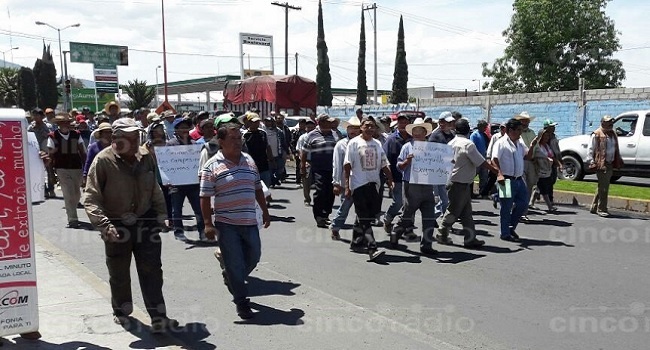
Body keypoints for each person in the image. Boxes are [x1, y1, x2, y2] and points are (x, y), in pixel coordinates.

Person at [84, 117, 179, 333]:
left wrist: (162, 214)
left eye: (136, 137)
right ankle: (121, 311)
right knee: (119, 272)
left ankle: (158, 317)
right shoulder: (103, 161)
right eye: (129, 138)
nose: (135, 142)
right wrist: (105, 225)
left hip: (145, 221)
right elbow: (90, 198)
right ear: (116, 139)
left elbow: (154, 187)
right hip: (116, 224)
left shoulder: (146, 157)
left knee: (152, 271)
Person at [199, 121, 270, 320]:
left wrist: (265, 211)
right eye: (233, 139)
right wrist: (207, 223)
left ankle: (231, 274)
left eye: (240, 138)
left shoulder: (248, 160)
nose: (238, 142)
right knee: (236, 263)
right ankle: (241, 302)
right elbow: (204, 197)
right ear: (221, 142)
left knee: (254, 256)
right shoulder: (211, 166)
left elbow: (257, 187)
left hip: (249, 221)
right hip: (226, 224)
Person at [437, 119, 498, 248]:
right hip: (460, 182)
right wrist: (494, 169)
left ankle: (470, 238)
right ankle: (442, 232)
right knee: (453, 210)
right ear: (467, 129)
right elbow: (480, 161)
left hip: (454, 180)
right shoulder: (467, 144)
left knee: (466, 213)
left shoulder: (451, 143)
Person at [344, 116, 393, 261]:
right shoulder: (354, 143)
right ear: (361, 128)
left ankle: (356, 241)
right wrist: (347, 186)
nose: (370, 129)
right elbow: (347, 165)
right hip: (359, 184)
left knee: (367, 215)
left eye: (373, 126)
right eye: (367, 126)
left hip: (374, 184)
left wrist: (390, 180)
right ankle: (372, 248)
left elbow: (384, 163)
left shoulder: (377, 143)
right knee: (365, 217)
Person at [390, 118, 437, 254]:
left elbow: (438, 165)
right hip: (411, 185)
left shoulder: (432, 148)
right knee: (407, 214)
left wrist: (446, 164)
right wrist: (407, 161)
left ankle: (426, 245)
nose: (417, 133)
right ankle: (396, 232)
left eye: (420, 131)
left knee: (429, 216)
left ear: (425, 132)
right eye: (415, 131)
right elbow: (399, 166)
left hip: (427, 185)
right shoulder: (407, 147)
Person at [492, 118, 538, 242]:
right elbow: (494, 160)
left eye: (521, 130)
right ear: (510, 130)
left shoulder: (520, 143)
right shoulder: (501, 143)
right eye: (518, 130)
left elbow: (527, 156)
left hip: (518, 179)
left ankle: (511, 226)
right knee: (506, 207)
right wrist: (499, 174)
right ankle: (505, 232)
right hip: (505, 180)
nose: (520, 133)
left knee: (523, 203)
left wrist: (533, 145)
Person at [165, 116, 206, 241]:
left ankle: (202, 232)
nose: (184, 130)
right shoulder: (170, 144)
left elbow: (200, 163)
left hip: (193, 183)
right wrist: (168, 180)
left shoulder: (195, 144)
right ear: (176, 130)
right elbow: (166, 164)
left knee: (199, 209)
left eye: (186, 127)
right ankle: (179, 232)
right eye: (182, 128)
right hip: (177, 183)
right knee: (176, 209)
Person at [47, 114, 87, 228]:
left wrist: (86, 169)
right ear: (58, 124)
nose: (65, 124)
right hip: (61, 168)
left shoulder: (76, 134)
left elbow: (83, 152)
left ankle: (71, 208)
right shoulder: (53, 136)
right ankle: (72, 219)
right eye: (62, 122)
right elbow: (50, 155)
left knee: (76, 194)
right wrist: (51, 174)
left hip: (76, 167)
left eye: (67, 122)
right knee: (68, 193)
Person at [302, 114, 338, 228]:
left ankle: (326, 214)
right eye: (328, 122)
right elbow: (304, 152)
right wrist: (302, 166)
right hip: (318, 168)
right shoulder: (312, 135)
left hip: (332, 168)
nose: (330, 124)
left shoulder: (335, 134)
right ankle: (318, 216)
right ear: (321, 123)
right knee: (320, 191)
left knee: (330, 192)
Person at [330, 116, 362, 240]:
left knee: (362, 209)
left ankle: (360, 234)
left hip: (360, 181)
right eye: (351, 128)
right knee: (345, 206)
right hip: (346, 182)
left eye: (356, 128)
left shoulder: (363, 143)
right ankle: (335, 227)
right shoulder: (341, 145)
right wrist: (336, 183)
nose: (353, 130)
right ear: (347, 129)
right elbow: (337, 164)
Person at [586, 115, 624, 217]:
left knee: (602, 186)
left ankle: (594, 207)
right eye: (608, 122)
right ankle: (602, 209)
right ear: (603, 123)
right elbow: (590, 149)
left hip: (610, 163)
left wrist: (618, 158)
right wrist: (591, 161)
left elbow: (615, 148)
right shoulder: (596, 134)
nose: (611, 124)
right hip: (601, 164)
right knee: (604, 188)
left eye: (611, 122)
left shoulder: (612, 134)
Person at [382, 114, 412, 236]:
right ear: (397, 124)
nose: (403, 125)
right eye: (401, 122)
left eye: (405, 122)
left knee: (410, 204)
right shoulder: (391, 140)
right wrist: (389, 179)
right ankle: (388, 218)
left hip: (411, 177)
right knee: (398, 202)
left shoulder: (413, 139)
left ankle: (407, 227)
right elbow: (385, 160)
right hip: (397, 177)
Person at [428, 111, 456, 219]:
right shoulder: (435, 136)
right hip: (437, 171)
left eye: (451, 122)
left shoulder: (453, 135)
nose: (450, 125)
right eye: (447, 122)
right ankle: (441, 220)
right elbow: (430, 153)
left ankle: (436, 217)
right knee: (443, 198)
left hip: (449, 171)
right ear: (441, 122)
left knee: (447, 198)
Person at [515, 112, 537, 221]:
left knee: (529, 186)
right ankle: (516, 209)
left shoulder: (532, 132)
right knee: (521, 186)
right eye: (523, 120)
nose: (526, 123)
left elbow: (536, 147)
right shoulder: (517, 134)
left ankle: (523, 211)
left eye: (527, 121)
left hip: (531, 162)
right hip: (521, 161)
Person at [532, 128, 562, 212]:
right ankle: (549, 206)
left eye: (547, 136)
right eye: (544, 136)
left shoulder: (547, 146)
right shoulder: (537, 147)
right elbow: (535, 157)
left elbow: (552, 156)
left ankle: (531, 203)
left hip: (547, 170)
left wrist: (559, 164)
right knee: (544, 188)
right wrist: (546, 159)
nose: (546, 138)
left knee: (540, 187)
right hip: (540, 171)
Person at [28, 108, 55, 198]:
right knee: (39, 171)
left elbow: (52, 136)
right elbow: (28, 137)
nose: (35, 117)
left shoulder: (47, 126)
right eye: (34, 115)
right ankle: (44, 190)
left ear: (41, 116)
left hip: (46, 149)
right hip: (35, 150)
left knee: (49, 170)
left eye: (37, 115)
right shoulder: (31, 127)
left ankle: (51, 189)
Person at [243, 113, 273, 187]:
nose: (256, 124)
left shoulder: (263, 133)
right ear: (249, 122)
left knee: (266, 187)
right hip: (250, 166)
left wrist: (271, 160)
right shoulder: (244, 135)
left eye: (258, 122)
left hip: (264, 165)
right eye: (254, 122)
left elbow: (268, 147)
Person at [82, 122, 112, 187]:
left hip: (111, 176)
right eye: (106, 132)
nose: (108, 134)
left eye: (110, 132)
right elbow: (88, 162)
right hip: (97, 175)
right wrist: (85, 175)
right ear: (101, 134)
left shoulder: (115, 147)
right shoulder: (94, 147)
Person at [484, 122, 507, 208]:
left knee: (504, 184)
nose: (503, 129)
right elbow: (490, 148)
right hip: (496, 162)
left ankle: (497, 197)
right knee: (498, 181)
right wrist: (489, 159)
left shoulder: (509, 138)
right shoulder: (496, 137)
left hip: (505, 164)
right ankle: (504, 205)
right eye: (502, 128)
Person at [296, 119, 316, 206]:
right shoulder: (303, 137)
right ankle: (307, 199)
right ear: (305, 128)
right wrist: (303, 161)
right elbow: (299, 150)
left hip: (317, 161)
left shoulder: (318, 137)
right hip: (306, 161)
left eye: (312, 127)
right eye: (308, 127)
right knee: (306, 181)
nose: (310, 129)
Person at [470, 119, 490, 197]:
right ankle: (475, 192)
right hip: (477, 159)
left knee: (484, 176)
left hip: (483, 159)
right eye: (484, 127)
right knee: (476, 177)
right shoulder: (474, 135)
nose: (485, 128)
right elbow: (472, 146)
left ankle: (481, 191)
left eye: (485, 127)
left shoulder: (484, 135)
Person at [291, 119, 308, 186]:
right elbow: (292, 143)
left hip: (306, 152)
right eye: (301, 124)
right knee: (299, 166)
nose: (302, 125)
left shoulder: (308, 133)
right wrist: (294, 152)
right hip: (298, 151)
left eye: (304, 124)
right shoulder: (295, 132)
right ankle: (298, 180)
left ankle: (306, 180)